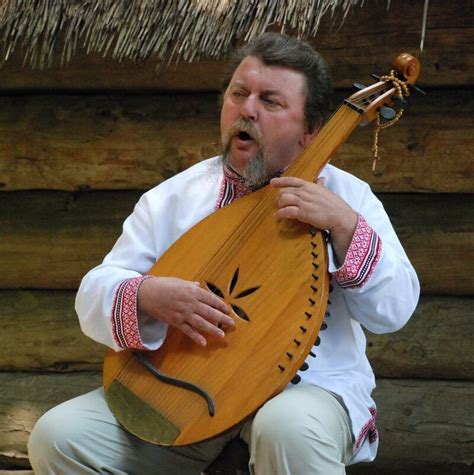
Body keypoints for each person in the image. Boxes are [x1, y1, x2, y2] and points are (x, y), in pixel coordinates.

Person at [28, 32, 419, 474]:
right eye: (239, 94)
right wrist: (148, 295)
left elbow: (396, 309)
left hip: (306, 390)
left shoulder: (348, 198)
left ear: (311, 130)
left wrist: (346, 227)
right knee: (59, 437)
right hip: (187, 389)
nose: (246, 109)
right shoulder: (175, 198)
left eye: (270, 101)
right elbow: (93, 294)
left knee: (285, 426)